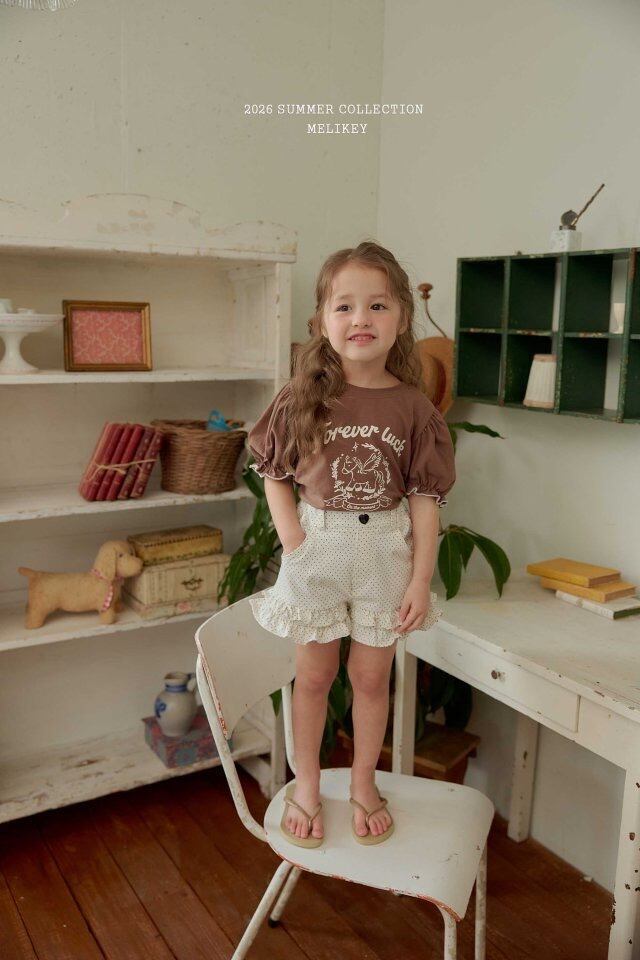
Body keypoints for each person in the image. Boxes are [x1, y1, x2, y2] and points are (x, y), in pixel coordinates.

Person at [246, 240, 456, 848]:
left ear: (402, 318)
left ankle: (364, 781)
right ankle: (307, 783)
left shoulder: (414, 407)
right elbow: (273, 472)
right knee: (313, 677)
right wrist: (293, 538)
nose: (361, 318)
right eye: (344, 306)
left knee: (370, 677)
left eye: (377, 305)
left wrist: (420, 579)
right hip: (318, 549)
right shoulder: (302, 398)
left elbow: (425, 498)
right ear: (322, 320)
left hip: (385, 554)